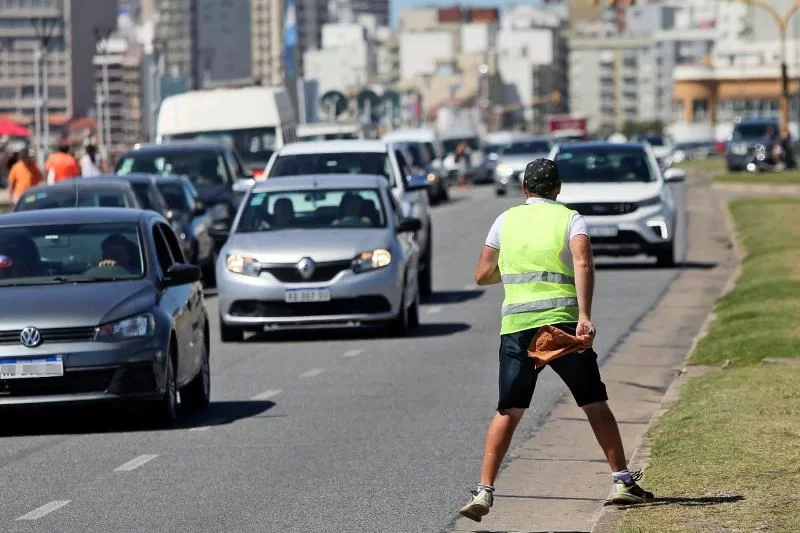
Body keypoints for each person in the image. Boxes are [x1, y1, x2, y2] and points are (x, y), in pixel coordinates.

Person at [458, 158, 653, 523]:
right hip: (561, 328)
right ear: (558, 188)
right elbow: (582, 263)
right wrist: (584, 316)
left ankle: (484, 490)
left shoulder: (505, 220)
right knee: (593, 401)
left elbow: (482, 274)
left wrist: (514, 269)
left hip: (517, 327)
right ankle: (622, 480)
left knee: (509, 410)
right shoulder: (570, 218)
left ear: (524, 189)